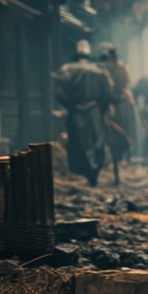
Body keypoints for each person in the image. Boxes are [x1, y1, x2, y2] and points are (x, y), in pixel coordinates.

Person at [53, 39, 114, 186]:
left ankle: (87, 173)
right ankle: (93, 173)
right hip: (94, 111)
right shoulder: (99, 70)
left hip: (76, 112)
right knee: (96, 142)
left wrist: (68, 105)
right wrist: (101, 107)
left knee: (79, 144)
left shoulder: (67, 69)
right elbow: (108, 92)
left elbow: (58, 90)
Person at [98, 43, 135, 164]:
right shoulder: (106, 68)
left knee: (121, 130)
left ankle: (120, 156)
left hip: (119, 103)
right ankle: (113, 156)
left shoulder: (121, 69)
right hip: (110, 103)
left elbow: (125, 85)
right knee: (109, 130)